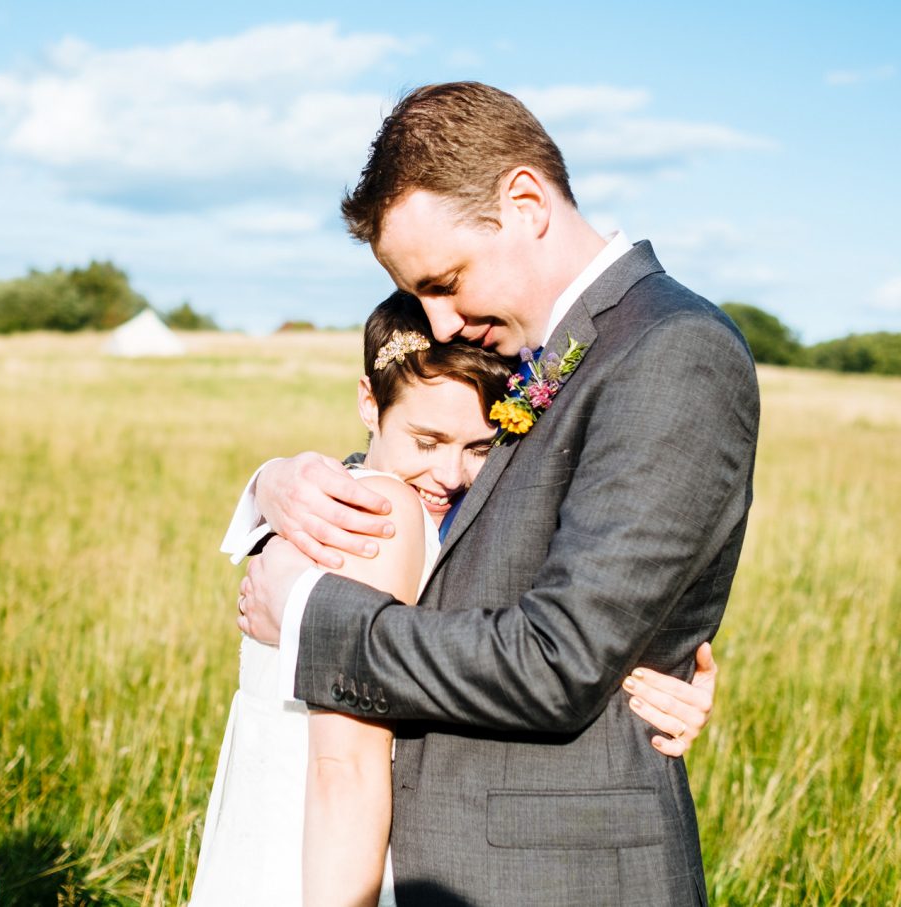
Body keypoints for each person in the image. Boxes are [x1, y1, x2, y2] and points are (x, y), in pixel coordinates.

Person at [238, 82, 759, 905]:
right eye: (421, 297)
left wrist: (312, 619)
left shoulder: (672, 350)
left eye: (446, 281)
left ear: (524, 202)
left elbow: (558, 661)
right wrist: (271, 483)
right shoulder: (543, 352)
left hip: (562, 875)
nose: (440, 324)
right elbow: (443, 517)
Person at [196, 293, 721, 907]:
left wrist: (643, 685)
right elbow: (345, 768)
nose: (450, 474)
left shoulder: (361, 504)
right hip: (326, 856)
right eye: (427, 440)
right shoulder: (380, 515)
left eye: (479, 448)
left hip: (271, 830)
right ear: (370, 401)